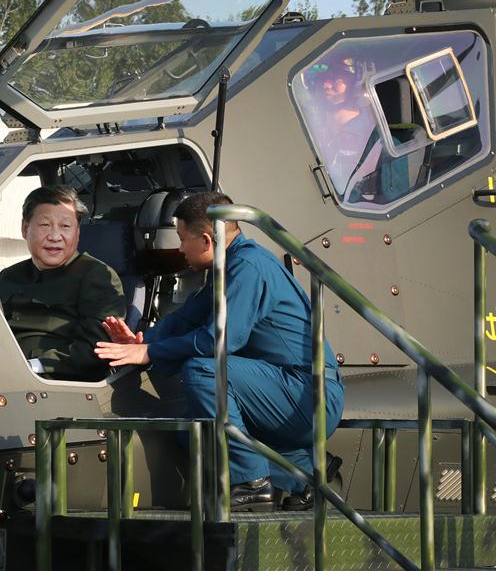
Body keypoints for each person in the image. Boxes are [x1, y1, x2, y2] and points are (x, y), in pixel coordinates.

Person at [95, 192, 344, 510]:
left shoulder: (249, 267)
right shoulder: (227, 269)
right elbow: (186, 319)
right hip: (285, 392)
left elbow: (218, 341)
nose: (181, 248)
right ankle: (304, 472)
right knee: (196, 433)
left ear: (207, 240)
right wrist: (142, 343)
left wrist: (151, 354)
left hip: (308, 397)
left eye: (183, 239)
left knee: (203, 370)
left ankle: (251, 481)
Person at [0, 185, 126, 382]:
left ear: (78, 232)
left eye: (65, 226)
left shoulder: (97, 276)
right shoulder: (9, 276)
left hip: (55, 382)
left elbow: (95, 348)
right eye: (45, 225)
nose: (55, 236)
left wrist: (34, 366)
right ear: (25, 229)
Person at [310, 61, 410, 204]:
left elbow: (396, 203)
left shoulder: (384, 146)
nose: (326, 84)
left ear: (357, 80)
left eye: (337, 77)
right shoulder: (312, 133)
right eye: (324, 78)